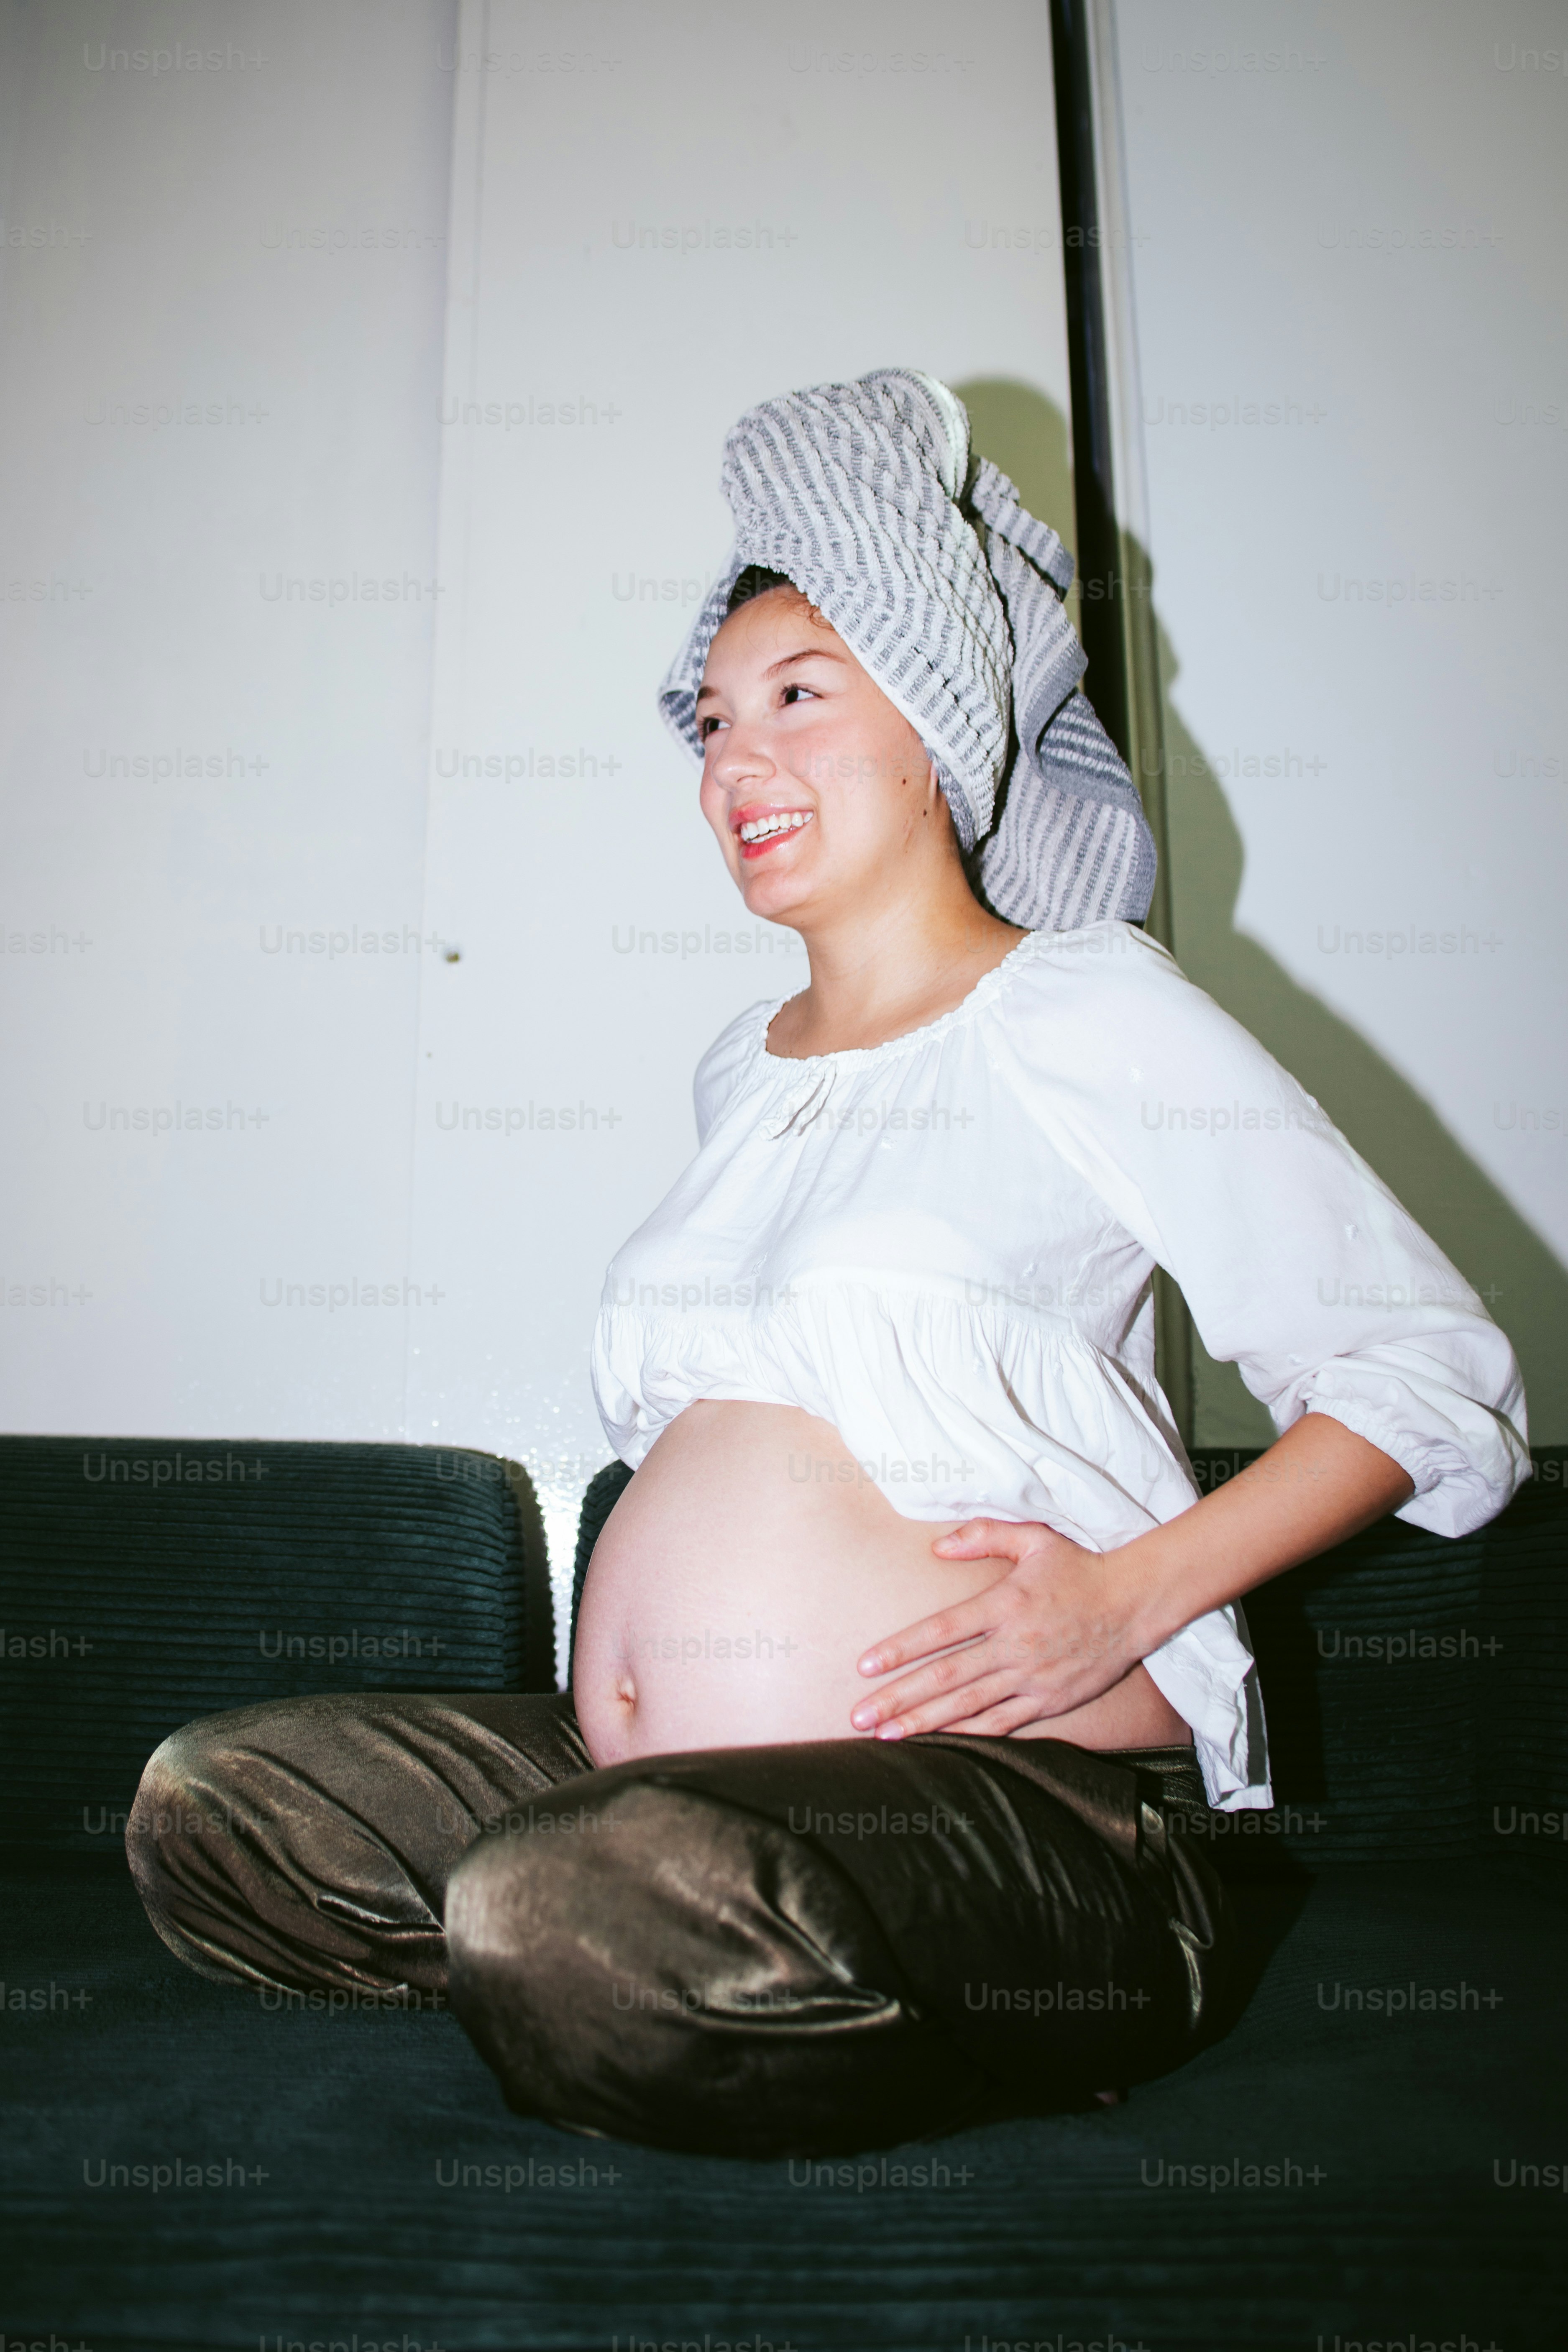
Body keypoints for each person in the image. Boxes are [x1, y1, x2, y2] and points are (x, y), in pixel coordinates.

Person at [127, 369, 1527, 2159]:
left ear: (934, 729)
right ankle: (651, 1953)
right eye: (708, 722)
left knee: (565, 1903)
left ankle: (852, 1974)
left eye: (798, 696)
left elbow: (1429, 1378)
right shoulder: (738, 1065)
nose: (732, 762)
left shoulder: (1081, 1004)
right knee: (222, 1805)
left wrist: (1127, 1593)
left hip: (1023, 1807)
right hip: (654, 1795)